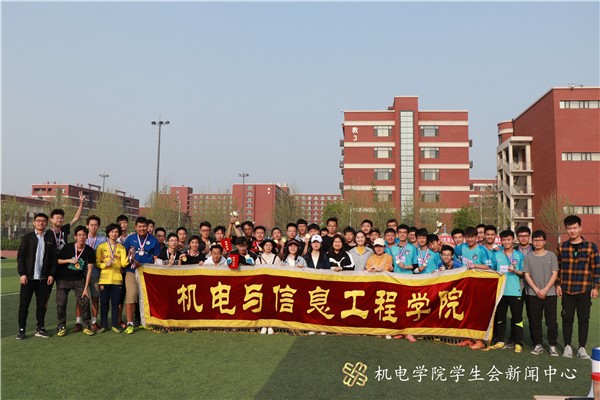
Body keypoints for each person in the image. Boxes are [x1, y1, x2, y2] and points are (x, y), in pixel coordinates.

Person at [556, 215, 599, 360]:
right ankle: (567, 346)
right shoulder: (562, 247)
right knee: (567, 319)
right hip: (567, 289)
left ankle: (581, 348)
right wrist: (558, 284)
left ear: (580, 228)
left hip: (584, 289)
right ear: (566, 229)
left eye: (574, 228)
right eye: (569, 228)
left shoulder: (591, 246)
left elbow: (596, 267)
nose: (572, 231)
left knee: (584, 319)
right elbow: (558, 268)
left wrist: (596, 286)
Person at [16, 213, 56, 340]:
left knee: (41, 305)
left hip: (43, 279)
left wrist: (51, 274)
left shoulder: (50, 238)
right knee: (24, 305)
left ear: (46, 223)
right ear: (34, 222)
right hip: (28, 278)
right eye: (38, 220)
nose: (41, 223)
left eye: (43, 221)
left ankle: (40, 328)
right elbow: (21, 257)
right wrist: (22, 273)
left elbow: (53, 258)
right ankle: (22, 329)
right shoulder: (27, 238)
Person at [488, 230, 525, 353]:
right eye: (504, 240)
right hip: (501, 292)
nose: (506, 242)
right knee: (500, 317)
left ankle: (518, 342)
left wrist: (515, 271)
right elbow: (492, 270)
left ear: (513, 240)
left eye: (508, 239)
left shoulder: (519, 255)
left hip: (515, 291)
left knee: (517, 318)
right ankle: (500, 341)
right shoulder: (496, 255)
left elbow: (523, 273)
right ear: (501, 241)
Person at [524, 230, 559, 356]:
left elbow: (554, 274)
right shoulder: (528, 257)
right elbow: (526, 275)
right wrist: (536, 289)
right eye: (535, 240)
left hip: (550, 294)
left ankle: (552, 345)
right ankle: (537, 344)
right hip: (533, 294)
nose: (538, 242)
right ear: (532, 242)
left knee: (551, 322)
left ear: (544, 241)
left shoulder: (551, 256)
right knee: (535, 321)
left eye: (540, 240)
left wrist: (545, 289)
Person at [55, 225, 95, 337]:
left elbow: (90, 270)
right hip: (63, 279)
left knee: (85, 300)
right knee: (61, 303)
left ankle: (86, 325)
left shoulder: (90, 251)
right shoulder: (68, 247)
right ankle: (61, 326)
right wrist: (69, 260)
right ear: (75, 236)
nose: (81, 237)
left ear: (87, 236)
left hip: (78, 280)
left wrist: (86, 288)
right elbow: (57, 260)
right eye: (79, 235)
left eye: (84, 235)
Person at [123, 217, 160, 334]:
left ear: (147, 227)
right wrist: (132, 260)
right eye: (139, 226)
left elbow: (155, 259)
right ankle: (130, 323)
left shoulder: (153, 240)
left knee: (147, 297)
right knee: (131, 295)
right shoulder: (130, 239)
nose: (142, 229)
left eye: (144, 226)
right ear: (135, 227)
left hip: (147, 272)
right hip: (132, 271)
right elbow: (125, 256)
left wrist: (145, 265)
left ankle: (147, 322)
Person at [96, 223, 129, 333]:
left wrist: (129, 258)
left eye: (116, 232)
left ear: (119, 234)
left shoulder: (121, 248)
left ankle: (115, 324)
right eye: (112, 232)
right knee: (104, 304)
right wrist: (105, 264)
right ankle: (103, 325)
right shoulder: (101, 247)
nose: (114, 234)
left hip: (117, 280)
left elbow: (123, 264)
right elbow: (97, 262)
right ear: (108, 233)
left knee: (115, 304)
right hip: (104, 280)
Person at [81, 215, 106, 332]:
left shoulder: (103, 240)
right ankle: (78, 322)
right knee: (81, 298)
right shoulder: (82, 237)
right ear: (87, 226)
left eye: (96, 225)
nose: (93, 227)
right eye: (91, 225)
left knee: (95, 298)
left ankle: (94, 322)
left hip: (96, 273)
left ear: (98, 226)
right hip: (82, 273)